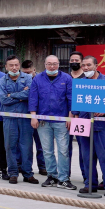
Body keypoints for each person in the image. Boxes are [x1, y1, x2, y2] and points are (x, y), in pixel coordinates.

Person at [72, 56, 105, 196]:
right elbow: (75, 106)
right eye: (83, 65)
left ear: (96, 66)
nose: (86, 68)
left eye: (89, 65)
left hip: (101, 126)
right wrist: (76, 119)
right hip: (84, 123)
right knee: (86, 156)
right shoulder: (80, 83)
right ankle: (90, 184)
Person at [30, 55, 75, 190]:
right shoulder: (37, 79)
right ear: (44, 64)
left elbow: (71, 98)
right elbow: (33, 98)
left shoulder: (67, 78)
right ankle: (52, 176)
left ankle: (63, 179)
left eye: (55, 64)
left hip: (61, 120)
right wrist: (33, 116)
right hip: (43, 121)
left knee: (63, 150)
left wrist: (70, 117)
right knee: (47, 151)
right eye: (49, 64)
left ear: (59, 64)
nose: (52, 66)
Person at [0, 55, 34, 184]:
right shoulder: (2, 81)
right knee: (10, 146)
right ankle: (13, 173)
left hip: (25, 118)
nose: (14, 67)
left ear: (19, 65)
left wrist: (12, 95)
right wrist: (21, 96)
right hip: (9, 118)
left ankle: (28, 174)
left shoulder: (28, 78)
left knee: (27, 147)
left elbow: (30, 94)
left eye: (16, 65)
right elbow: (3, 100)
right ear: (6, 67)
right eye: (11, 65)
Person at [21, 59, 47, 177]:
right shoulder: (19, 79)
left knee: (41, 144)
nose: (27, 75)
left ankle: (43, 167)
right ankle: (24, 166)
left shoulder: (42, 79)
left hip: (39, 116)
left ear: (34, 70)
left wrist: (27, 91)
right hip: (24, 116)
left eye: (29, 72)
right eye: (24, 72)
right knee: (25, 145)